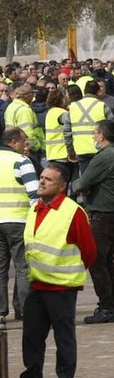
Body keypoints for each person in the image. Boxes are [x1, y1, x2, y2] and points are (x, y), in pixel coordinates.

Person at [14, 162, 96, 378]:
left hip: (61, 288)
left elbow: (89, 251)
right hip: (37, 286)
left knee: (64, 339)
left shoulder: (73, 212)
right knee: (31, 338)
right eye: (41, 177)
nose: (41, 182)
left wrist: (69, 274)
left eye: (48, 179)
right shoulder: (35, 208)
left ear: (62, 186)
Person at [72, 120, 114, 324]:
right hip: (113, 214)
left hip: (104, 216)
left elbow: (84, 182)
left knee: (97, 262)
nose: (93, 137)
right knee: (107, 262)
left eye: (95, 133)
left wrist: (74, 187)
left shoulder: (104, 157)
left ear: (102, 136)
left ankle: (106, 307)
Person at [0, 127, 37, 321]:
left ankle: (0, 310)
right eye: (24, 141)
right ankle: (24, 309)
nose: (26, 145)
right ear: (13, 142)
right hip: (18, 220)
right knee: (23, 267)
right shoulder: (22, 162)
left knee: (0, 268)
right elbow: (34, 193)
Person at [67, 79, 110, 178]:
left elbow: (67, 132)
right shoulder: (102, 106)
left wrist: (70, 151)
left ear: (84, 91)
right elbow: (111, 127)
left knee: (86, 180)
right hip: (100, 149)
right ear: (97, 91)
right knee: (100, 180)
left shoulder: (73, 107)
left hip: (81, 149)